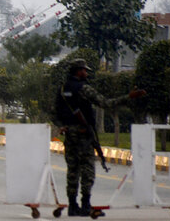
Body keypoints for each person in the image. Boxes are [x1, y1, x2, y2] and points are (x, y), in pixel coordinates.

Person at [55, 59, 145, 217]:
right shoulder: (84, 88)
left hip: (69, 134)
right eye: (84, 70)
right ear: (78, 71)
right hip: (83, 134)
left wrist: (62, 126)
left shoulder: (62, 89)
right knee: (87, 170)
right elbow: (105, 103)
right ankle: (85, 205)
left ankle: (72, 206)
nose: (86, 73)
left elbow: (55, 110)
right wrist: (129, 97)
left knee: (73, 170)